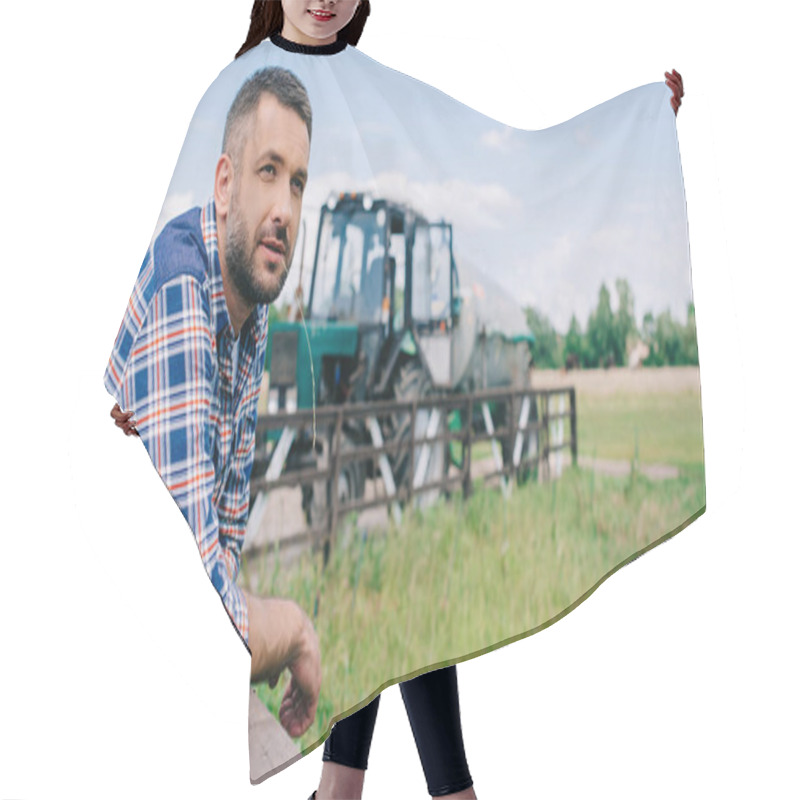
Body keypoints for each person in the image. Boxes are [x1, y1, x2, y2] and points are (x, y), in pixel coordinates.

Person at [112, 1, 687, 796]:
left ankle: (366, 791)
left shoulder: (372, 88)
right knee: (374, 606)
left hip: (359, 467)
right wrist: (146, 369)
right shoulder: (235, 88)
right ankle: (394, 791)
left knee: (394, 608)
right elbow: (181, 241)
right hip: (288, 500)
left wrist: (641, 118)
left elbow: (505, 150)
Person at [106, 64, 321, 739]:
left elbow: (222, 546)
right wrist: (299, 633)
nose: (284, 208)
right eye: (268, 171)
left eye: (298, 183)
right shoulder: (184, 295)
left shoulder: (249, 317)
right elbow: (202, 618)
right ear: (225, 184)